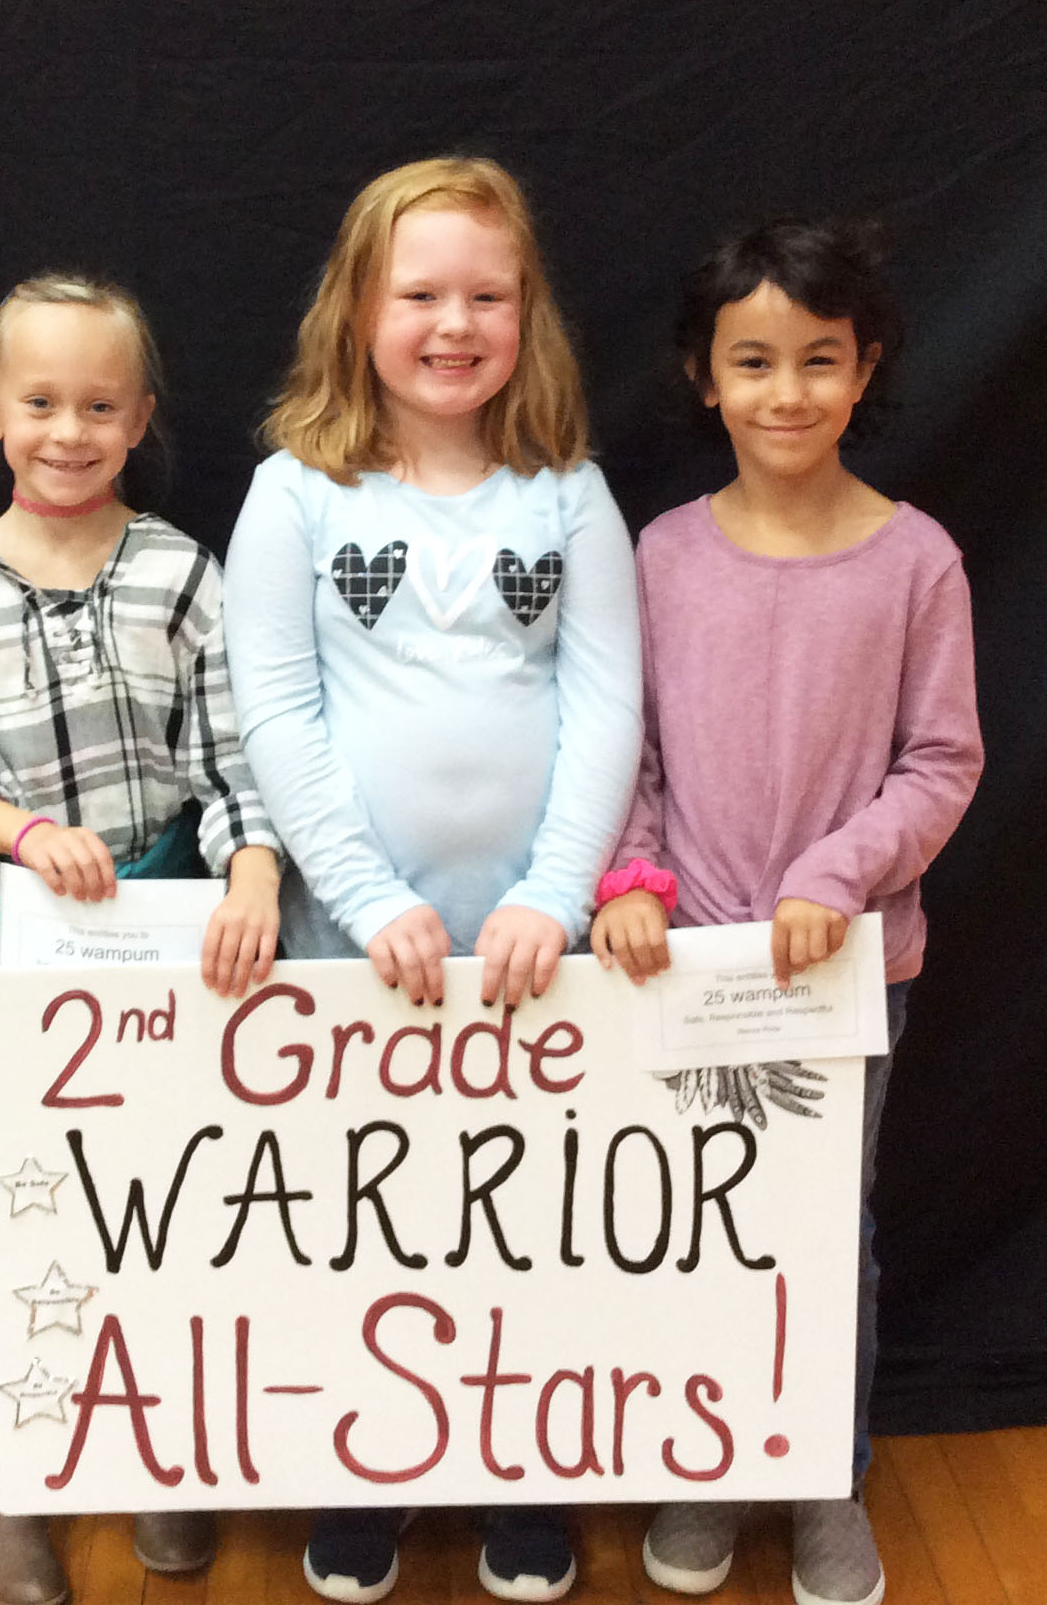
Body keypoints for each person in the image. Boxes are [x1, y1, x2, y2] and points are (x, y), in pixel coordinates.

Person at [223, 157, 642, 1604]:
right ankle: (368, 1468)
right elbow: (274, 712)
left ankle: (519, 1466)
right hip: (359, 938)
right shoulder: (294, 494)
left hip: (540, 945)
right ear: (358, 309)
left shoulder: (570, 495)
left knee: (528, 1217)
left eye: (486, 296)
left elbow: (607, 708)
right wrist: (369, 894)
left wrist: (557, 895)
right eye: (419, 295)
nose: (452, 325)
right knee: (372, 1220)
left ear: (528, 315)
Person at [592, 217, 983, 1605]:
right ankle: (702, 1471)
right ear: (705, 377)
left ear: (864, 367)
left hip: (849, 972)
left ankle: (822, 1482)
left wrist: (838, 876)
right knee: (690, 1224)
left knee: (826, 1233)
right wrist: (632, 880)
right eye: (753, 362)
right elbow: (619, 751)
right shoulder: (658, 555)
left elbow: (943, 762)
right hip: (680, 969)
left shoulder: (915, 559)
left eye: (819, 361)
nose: (786, 393)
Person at [0, 274, 282, 1605]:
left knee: (167, 1203)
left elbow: (231, 756)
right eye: (41, 401)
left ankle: (162, 1449)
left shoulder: (180, 572)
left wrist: (249, 871)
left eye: (99, 404)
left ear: (141, 418)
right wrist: (10, 828)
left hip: (175, 927)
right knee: (8, 1213)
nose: (69, 429)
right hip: (13, 929)